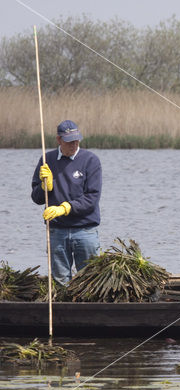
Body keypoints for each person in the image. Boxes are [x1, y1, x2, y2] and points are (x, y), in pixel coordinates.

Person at [31, 120, 102, 285]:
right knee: (60, 282)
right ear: (59, 140)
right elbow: (37, 198)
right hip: (57, 231)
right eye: (69, 141)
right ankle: (63, 309)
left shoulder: (90, 160)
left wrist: (65, 208)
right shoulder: (46, 159)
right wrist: (44, 186)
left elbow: (92, 198)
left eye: (77, 140)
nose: (74, 144)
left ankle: (89, 310)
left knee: (90, 281)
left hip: (85, 230)